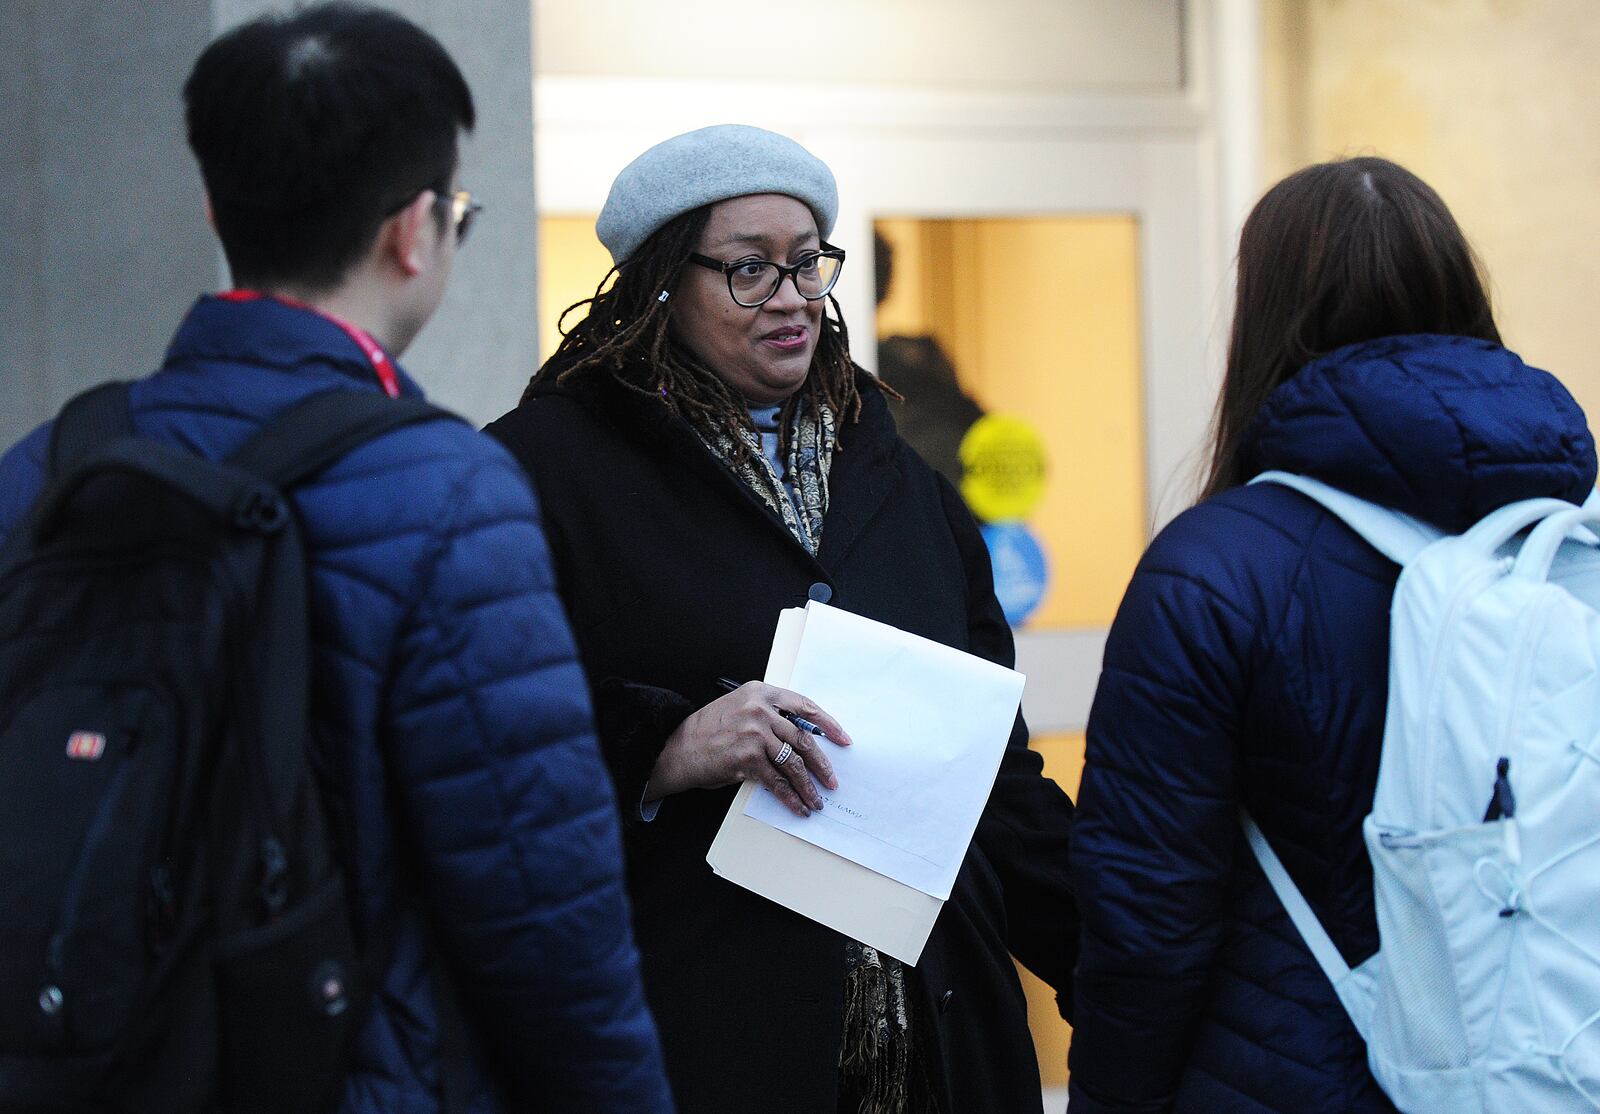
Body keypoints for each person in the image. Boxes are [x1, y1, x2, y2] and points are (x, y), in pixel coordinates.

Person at [0, 6, 672, 1112]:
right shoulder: (450, 493)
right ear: (415, 230)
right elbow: (542, 915)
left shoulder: (58, 458)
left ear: (217, 207)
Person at [485, 124, 1078, 1114]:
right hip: (702, 1041)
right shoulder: (541, 474)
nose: (795, 298)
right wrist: (662, 747)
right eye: (749, 271)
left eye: (807, 265)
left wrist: (1123, 971)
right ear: (663, 284)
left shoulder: (907, 488)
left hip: (935, 1043)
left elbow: (995, 783)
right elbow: (484, 742)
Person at [1066, 157, 1597, 1113]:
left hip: (1285, 1070)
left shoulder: (1218, 564)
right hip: (1547, 1064)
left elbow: (1148, 913)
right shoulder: (1571, 539)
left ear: (1266, 316)